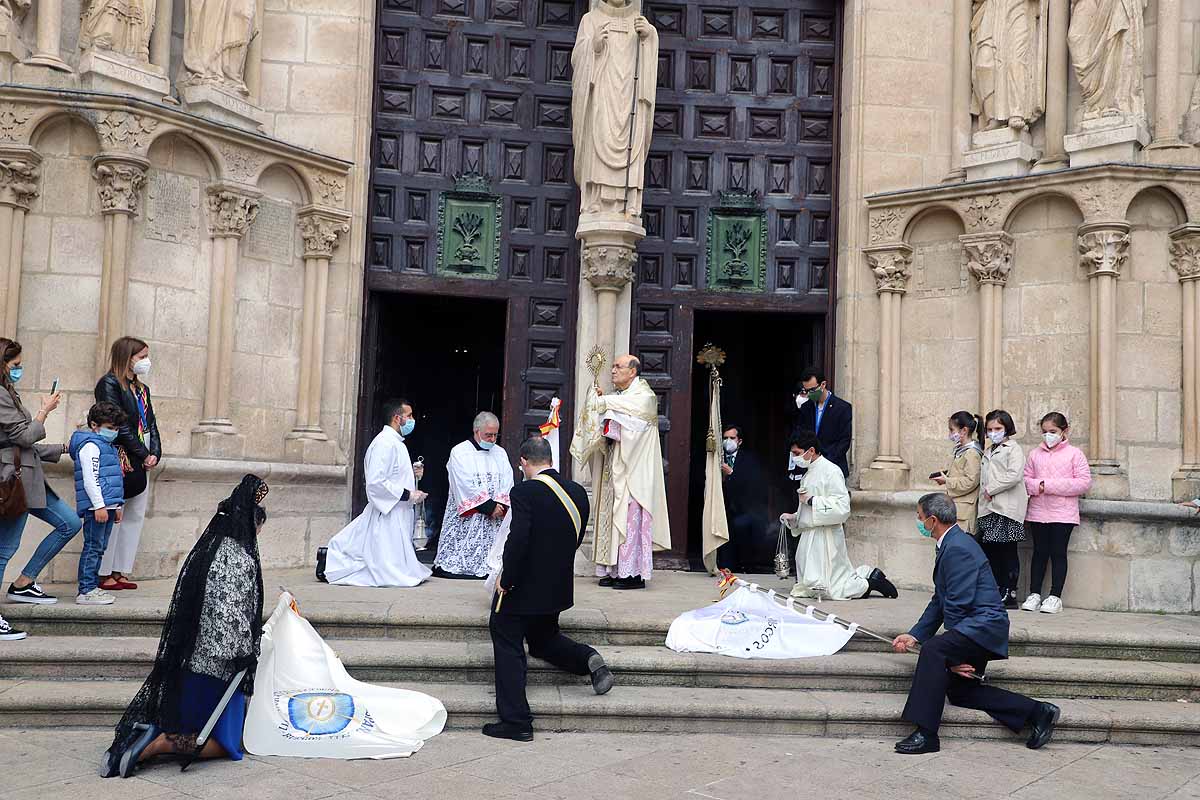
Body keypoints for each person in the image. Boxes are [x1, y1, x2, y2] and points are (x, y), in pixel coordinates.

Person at [101, 475, 268, 778]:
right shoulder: (238, 558)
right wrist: (247, 651)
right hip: (216, 669)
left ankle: (156, 734)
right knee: (227, 745)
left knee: (194, 722)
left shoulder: (209, 548)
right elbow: (228, 616)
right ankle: (158, 743)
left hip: (188, 661)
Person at [891, 492, 1060, 755]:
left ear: (933, 520)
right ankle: (1037, 712)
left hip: (981, 628)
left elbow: (958, 604)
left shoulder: (958, 548)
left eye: (919, 517)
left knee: (934, 650)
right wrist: (914, 636)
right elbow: (940, 600)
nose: (919, 522)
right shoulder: (953, 543)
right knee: (961, 692)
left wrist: (948, 656)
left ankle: (926, 734)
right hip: (974, 627)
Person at [485, 437, 613, 742]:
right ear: (550, 460)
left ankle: (516, 721)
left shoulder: (524, 491)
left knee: (505, 637)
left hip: (522, 586)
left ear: (525, 462)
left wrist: (506, 578)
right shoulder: (578, 492)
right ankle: (586, 659)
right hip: (557, 586)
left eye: (521, 465)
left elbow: (518, 540)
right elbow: (578, 536)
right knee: (542, 639)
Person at [569, 354, 670, 590]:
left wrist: (603, 405)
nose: (613, 370)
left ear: (632, 372)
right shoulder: (619, 398)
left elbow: (629, 424)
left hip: (634, 473)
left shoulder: (644, 397)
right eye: (613, 366)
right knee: (612, 521)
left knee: (629, 521)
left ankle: (632, 575)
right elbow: (610, 422)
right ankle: (614, 570)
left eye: (618, 366)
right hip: (615, 468)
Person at [0, 337, 76, 630]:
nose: (20, 370)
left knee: (69, 523)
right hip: (14, 483)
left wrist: (63, 448)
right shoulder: (1, 395)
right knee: (5, 547)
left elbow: (17, 444)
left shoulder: (8, 392)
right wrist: (45, 411)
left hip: (29, 479)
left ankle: (23, 582)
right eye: (16, 365)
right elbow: (23, 438)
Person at [321, 398, 431, 587]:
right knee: (383, 565)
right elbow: (376, 482)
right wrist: (408, 495)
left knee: (398, 562)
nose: (413, 420)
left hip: (398, 510)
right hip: (388, 512)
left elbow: (393, 474)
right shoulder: (384, 443)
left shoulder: (396, 442)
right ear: (397, 418)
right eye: (409, 416)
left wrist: (412, 473)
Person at [780, 430, 896, 600]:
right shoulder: (808, 473)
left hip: (827, 536)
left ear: (811, 450)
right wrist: (795, 517)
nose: (794, 458)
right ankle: (867, 577)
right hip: (811, 536)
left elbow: (842, 507)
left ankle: (871, 582)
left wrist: (812, 500)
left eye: (797, 453)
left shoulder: (831, 471)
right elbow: (807, 506)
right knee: (811, 587)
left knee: (834, 590)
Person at [95, 336, 162, 593]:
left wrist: (155, 452)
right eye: (141, 356)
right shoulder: (109, 384)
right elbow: (117, 423)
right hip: (120, 456)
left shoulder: (142, 390)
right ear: (127, 357)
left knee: (134, 515)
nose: (146, 361)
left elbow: (151, 424)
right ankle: (103, 572)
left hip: (141, 458)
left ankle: (120, 569)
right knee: (115, 514)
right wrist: (143, 453)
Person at [1021, 412, 1092, 615]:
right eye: (1044, 432)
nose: (1048, 436)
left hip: (1063, 514)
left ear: (1064, 431)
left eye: (1053, 432)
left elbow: (1083, 482)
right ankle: (1034, 593)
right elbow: (1026, 481)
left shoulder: (1075, 454)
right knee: (1039, 553)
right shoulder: (1035, 454)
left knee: (1058, 553)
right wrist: (1038, 486)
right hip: (1038, 512)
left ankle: (1055, 596)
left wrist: (1046, 485)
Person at [432, 411, 513, 579]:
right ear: (477, 431)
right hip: (472, 514)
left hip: (496, 513)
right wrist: (488, 506)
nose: (492, 439)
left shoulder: (500, 453)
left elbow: (507, 479)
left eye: (495, 435)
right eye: (488, 435)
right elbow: (462, 483)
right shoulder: (460, 452)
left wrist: (500, 504)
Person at [69, 402, 128, 606]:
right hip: (98, 508)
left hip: (108, 506)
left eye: (116, 429)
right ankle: (86, 589)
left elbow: (113, 479)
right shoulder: (90, 446)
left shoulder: (107, 446)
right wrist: (99, 506)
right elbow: (90, 479)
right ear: (94, 425)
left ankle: (92, 587)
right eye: (110, 428)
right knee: (93, 546)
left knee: (100, 547)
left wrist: (116, 506)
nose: (114, 432)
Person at [977, 409, 1027, 609]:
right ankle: (997, 588)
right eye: (989, 429)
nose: (993, 432)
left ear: (1007, 428)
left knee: (1007, 550)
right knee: (992, 551)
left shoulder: (1013, 449)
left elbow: (1014, 475)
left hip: (1006, 508)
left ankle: (1010, 591)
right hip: (989, 508)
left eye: (997, 428)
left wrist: (992, 488)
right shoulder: (988, 450)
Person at [718, 425, 766, 573]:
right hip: (722, 507)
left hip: (744, 508)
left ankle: (745, 566)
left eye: (732, 438)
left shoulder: (749, 459)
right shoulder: (716, 458)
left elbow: (753, 483)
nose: (728, 441)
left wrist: (731, 473)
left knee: (743, 535)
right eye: (725, 438)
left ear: (739, 441)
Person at [792, 366, 852, 478]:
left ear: (823, 385)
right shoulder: (805, 407)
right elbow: (800, 434)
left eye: (812, 390)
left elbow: (844, 441)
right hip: (810, 469)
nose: (809, 394)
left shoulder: (843, 408)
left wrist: (824, 462)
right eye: (806, 391)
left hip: (833, 468)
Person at [932, 411, 984, 534]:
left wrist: (947, 481)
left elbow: (970, 481)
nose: (950, 434)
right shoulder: (961, 450)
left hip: (965, 514)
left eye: (952, 430)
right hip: (957, 509)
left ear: (964, 431)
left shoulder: (972, 453)